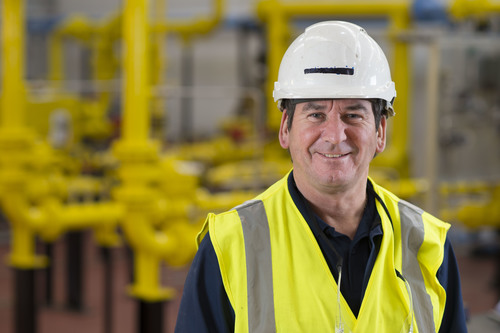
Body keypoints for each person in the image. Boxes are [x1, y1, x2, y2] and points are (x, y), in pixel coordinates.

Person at [175, 21, 467, 332]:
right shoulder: (229, 246)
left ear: (380, 132)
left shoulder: (428, 245)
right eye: (316, 114)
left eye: (353, 114)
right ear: (285, 128)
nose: (334, 135)